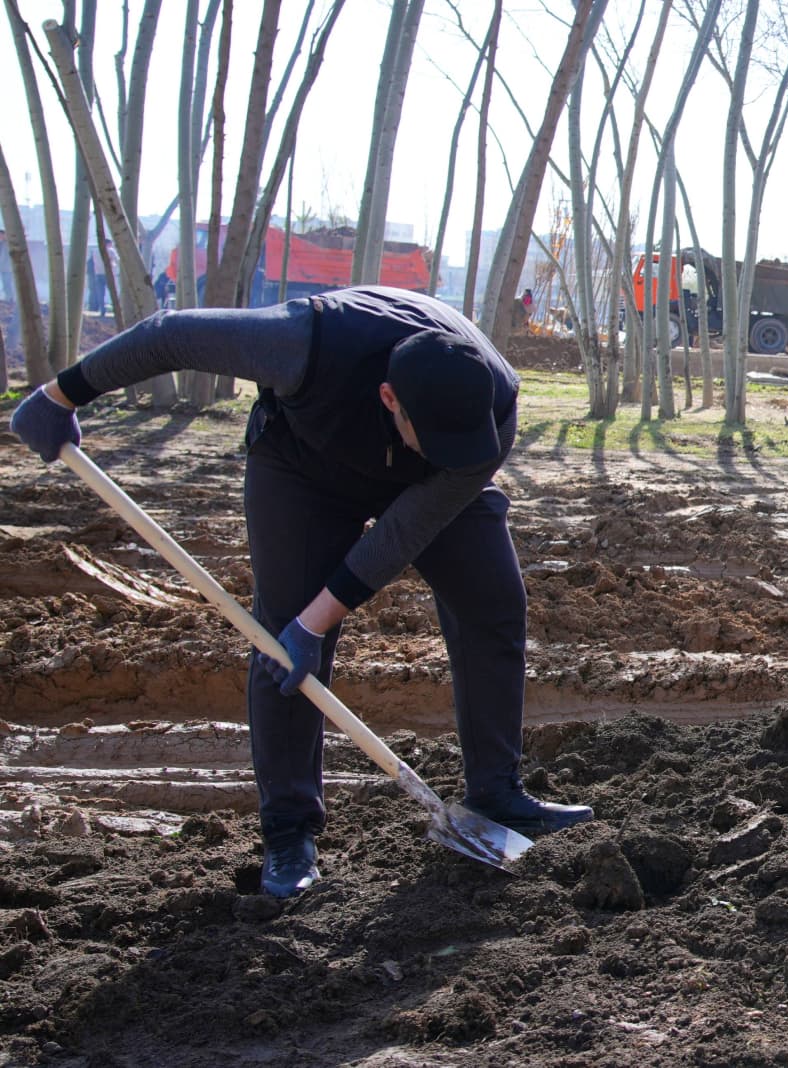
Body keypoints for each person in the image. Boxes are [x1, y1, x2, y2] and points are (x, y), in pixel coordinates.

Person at [9, 286, 593, 898]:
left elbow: (400, 532)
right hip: (303, 464)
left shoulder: (487, 414)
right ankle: (289, 835)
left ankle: (496, 793)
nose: (452, 445)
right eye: (435, 435)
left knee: (492, 604)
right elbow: (171, 334)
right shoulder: (302, 344)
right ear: (389, 398)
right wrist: (61, 394)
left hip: (428, 490)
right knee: (282, 641)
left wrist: (320, 619)